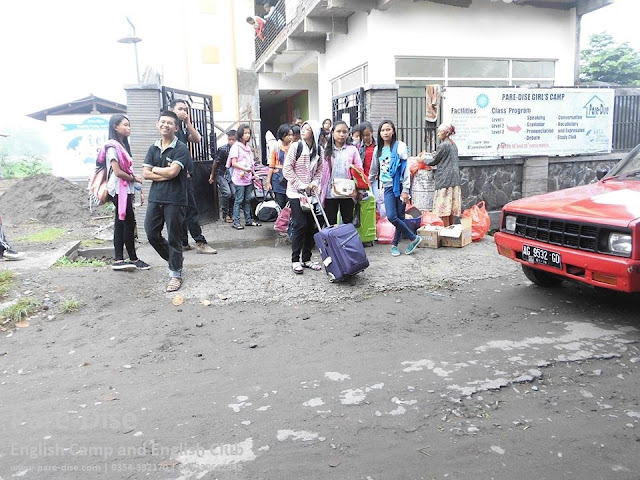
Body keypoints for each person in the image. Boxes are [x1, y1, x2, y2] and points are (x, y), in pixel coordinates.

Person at [142, 110, 193, 293]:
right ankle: (175, 260)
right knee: (151, 233)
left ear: (176, 127)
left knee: (174, 237)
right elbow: (145, 174)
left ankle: (175, 273)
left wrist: (156, 171)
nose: (165, 125)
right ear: (157, 125)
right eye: (162, 122)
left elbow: (173, 173)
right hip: (155, 198)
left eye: (169, 123)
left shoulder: (181, 148)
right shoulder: (152, 148)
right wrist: (163, 172)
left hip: (175, 199)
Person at [101, 114, 150, 272]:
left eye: (129, 125)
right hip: (118, 189)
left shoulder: (121, 145)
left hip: (125, 188)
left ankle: (122, 259)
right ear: (116, 126)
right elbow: (117, 172)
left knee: (123, 223)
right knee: (126, 222)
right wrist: (134, 178)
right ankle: (129, 258)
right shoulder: (112, 147)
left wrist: (133, 181)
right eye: (125, 125)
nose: (129, 128)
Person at [169, 100, 216, 254]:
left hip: (186, 177)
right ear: (172, 110)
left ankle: (186, 242)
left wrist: (188, 121)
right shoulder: (169, 130)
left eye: (185, 109)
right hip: (175, 178)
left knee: (189, 210)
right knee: (186, 211)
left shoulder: (181, 131)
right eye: (180, 109)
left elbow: (197, 139)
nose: (183, 111)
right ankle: (199, 243)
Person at [369, 120, 422, 256]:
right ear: (379, 133)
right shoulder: (378, 149)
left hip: (400, 186)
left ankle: (394, 245)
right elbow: (374, 169)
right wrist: (368, 182)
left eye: (388, 129)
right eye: (382, 130)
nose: (385, 132)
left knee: (399, 216)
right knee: (392, 216)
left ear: (393, 131)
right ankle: (413, 237)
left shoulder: (400, 147)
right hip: (387, 187)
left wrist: (405, 190)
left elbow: (405, 170)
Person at [283, 120, 323, 275]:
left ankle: (306, 259)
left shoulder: (318, 149)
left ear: (314, 132)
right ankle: (295, 260)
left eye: (308, 128)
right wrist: (300, 184)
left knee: (311, 226)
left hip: (311, 195)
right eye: (303, 128)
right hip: (295, 192)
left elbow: (320, 170)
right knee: (300, 225)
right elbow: (287, 169)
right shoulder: (296, 146)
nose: (305, 130)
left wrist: (313, 183)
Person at [319, 120, 363, 226]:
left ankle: (346, 242)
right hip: (330, 192)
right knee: (330, 222)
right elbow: (320, 171)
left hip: (348, 192)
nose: (342, 134)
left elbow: (359, 170)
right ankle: (332, 243)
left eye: (344, 132)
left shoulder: (352, 150)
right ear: (332, 132)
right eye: (338, 131)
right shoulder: (325, 151)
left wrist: (360, 190)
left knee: (348, 222)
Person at [426, 123, 462, 227]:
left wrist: (423, 159)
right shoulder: (453, 144)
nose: (438, 134)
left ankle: (446, 231)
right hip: (454, 180)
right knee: (450, 209)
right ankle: (451, 229)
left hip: (445, 180)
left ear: (446, 133)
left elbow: (433, 161)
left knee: (444, 209)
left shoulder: (443, 145)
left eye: (440, 132)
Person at [229, 124, 261, 230]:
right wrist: (244, 168)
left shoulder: (247, 147)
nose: (247, 135)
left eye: (248, 133)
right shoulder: (236, 146)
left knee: (247, 200)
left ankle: (248, 221)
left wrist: (253, 173)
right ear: (240, 134)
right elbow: (233, 163)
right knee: (239, 200)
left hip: (248, 178)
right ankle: (236, 222)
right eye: (245, 133)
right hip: (239, 178)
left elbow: (250, 163)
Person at [209, 130, 236, 223]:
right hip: (221, 174)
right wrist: (212, 175)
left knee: (234, 194)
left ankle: (231, 214)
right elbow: (216, 163)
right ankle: (225, 214)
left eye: (233, 139)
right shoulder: (223, 149)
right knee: (227, 193)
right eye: (230, 139)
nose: (231, 141)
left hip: (232, 175)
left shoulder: (238, 149)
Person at [266, 123, 293, 209]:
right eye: (288, 135)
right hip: (278, 178)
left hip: (290, 178)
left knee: (290, 202)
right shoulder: (276, 147)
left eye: (291, 135)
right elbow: (271, 165)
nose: (290, 137)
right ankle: (281, 222)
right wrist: (268, 182)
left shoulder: (294, 147)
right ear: (282, 135)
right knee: (280, 202)